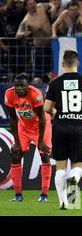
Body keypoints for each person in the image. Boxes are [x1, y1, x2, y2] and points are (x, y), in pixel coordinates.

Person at [43, 50, 82, 210]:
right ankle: (73, 192)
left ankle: (64, 201)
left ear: (62, 64)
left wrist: (59, 113)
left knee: (60, 168)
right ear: (78, 63)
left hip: (60, 128)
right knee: (77, 166)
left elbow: (46, 108)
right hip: (78, 127)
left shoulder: (54, 83)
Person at [4, 73, 52, 203]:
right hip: (24, 127)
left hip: (41, 127)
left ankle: (44, 195)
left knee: (44, 155)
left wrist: (40, 141)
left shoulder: (35, 94)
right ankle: (18, 195)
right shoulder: (9, 94)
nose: (19, 88)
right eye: (16, 86)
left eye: (22, 86)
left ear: (28, 86)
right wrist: (17, 142)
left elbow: (42, 117)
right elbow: (13, 119)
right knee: (15, 154)